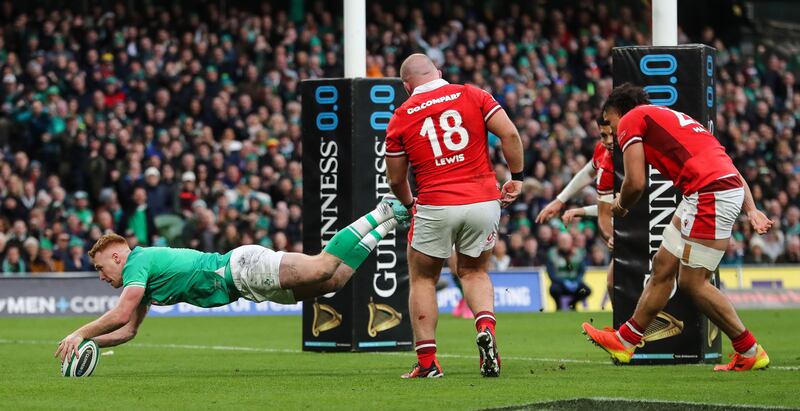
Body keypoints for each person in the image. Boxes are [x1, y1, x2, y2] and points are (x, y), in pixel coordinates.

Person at [55, 200, 406, 362]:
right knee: (336, 280)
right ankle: (391, 224)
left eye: (102, 269)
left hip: (240, 267)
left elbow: (119, 315)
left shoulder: (137, 262)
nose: (102, 277)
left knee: (321, 267)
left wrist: (80, 332)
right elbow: (128, 331)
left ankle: (381, 211)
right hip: (244, 287)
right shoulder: (141, 279)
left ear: (117, 257)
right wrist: (90, 347)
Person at [582, 84, 773, 371]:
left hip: (709, 194)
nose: (611, 134)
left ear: (619, 112)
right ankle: (627, 341)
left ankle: (749, 350)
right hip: (708, 191)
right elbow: (727, 165)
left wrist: (620, 206)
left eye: (609, 123)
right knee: (663, 266)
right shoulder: (676, 118)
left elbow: (635, 183)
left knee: (692, 283)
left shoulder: (632, 118)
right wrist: (751, 208)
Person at [385, 54, 524, 378]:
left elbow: (395, 179)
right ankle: (486, 326)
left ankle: (427, 362)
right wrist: (516, 175)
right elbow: (511, 135)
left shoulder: (402, 115)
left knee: (423, 279)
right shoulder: (471, 94)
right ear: (439, 73)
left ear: (407, 87)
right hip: (482, 200)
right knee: (474, 272)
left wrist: (409, 205)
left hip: (435, 203)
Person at [537, 119, 615, 306]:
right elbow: (589, 172)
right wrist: (560, 200)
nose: (608, 141)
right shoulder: (605, 152)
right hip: (628, 227)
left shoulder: (634, 156)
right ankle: (626, 332)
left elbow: (615, 206)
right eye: (603, 135)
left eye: (611, 135)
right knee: (613, 283)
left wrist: (581, 210)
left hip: (650, 225)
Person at [545, 232, 590, 310]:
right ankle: (558, 306)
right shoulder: (552, 254)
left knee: (586, 290)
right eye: (562, 241)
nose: (564, 243)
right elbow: (551, 273)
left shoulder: (578, 253)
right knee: (554, 289)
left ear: (571, 242)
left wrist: (577, 281)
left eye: (566, 241)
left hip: (575, 282)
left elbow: (582, 271)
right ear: (558, 242)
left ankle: (573, 303)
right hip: (560, 283)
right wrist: (563, 282)